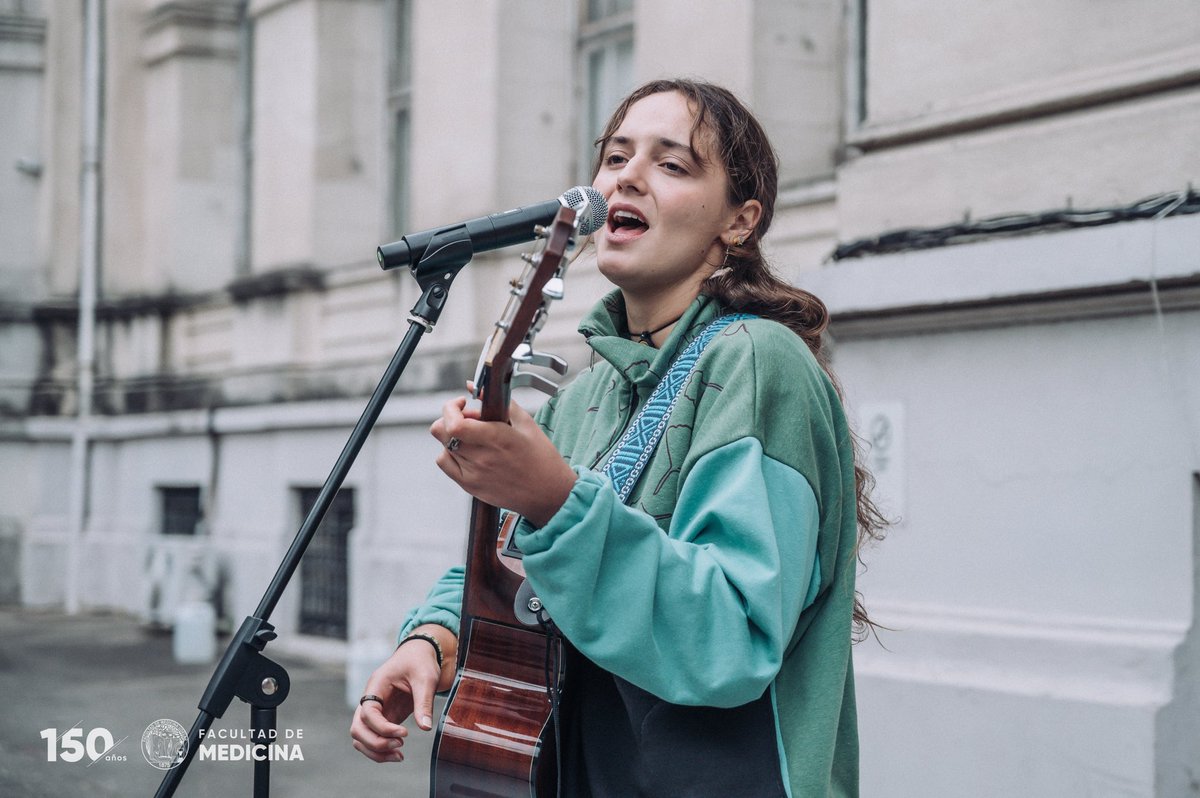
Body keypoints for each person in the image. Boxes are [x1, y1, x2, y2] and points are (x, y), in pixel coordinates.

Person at [350, 78, 886, 797]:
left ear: (740, 220)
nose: (626, 176)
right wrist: (433, 638)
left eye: (672, 164)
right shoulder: (587, 393)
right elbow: (512, 571)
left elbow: (730, 639)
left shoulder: (756, 362)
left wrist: (557, 502)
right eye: (615, 156)